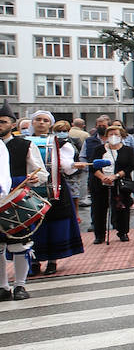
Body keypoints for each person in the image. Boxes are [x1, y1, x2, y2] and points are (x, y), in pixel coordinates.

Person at [26, 111, 84, 276]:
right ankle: (34, 261)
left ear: (50, 124)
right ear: (33, 122)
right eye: (38, 120)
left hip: (55, 188)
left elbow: (66, 166)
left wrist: (72, 165)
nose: (41, 123)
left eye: (45, 120)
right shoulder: (22, 142)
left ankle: (52, 260)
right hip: (30, 189)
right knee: (33, 225)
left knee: (54, 223)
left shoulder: (60, 142)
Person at [2, 101, 47, 300]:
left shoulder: (24, 144)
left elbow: (42, 172)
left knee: (20, 245)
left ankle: (20, 285)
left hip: (16, 200)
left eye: (2, 122)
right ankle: (3, 287)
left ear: (12, 124)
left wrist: (35, 178)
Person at [90, 123, 134, 243]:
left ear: (121, 136)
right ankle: (99, 235)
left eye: (116, 134)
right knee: (99, 209)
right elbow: (93, 166)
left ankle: (123, 232)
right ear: (105, 137)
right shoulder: (99, 150)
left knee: (121, 208)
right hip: (100, 183)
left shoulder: (128, 150)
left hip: (119, 183)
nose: (113, 136)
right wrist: (102, 177)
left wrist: (115, 176)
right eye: (110, 134)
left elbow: (130, 166)